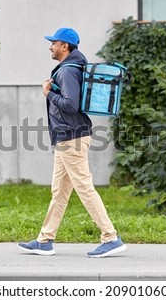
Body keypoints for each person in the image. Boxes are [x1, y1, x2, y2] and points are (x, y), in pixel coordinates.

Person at [18, 27, 127, 258]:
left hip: (72, 137)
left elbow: (70, 104)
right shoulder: (70, 68)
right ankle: (44, 240)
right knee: (59, 192)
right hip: (67, 137)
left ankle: (110, 237)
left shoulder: (67, 71)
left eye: (54, 43)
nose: (50, 46)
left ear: (64, 46)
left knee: (84, 187)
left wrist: (48, 93)